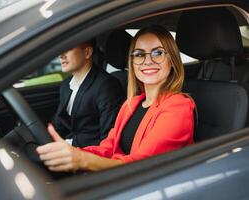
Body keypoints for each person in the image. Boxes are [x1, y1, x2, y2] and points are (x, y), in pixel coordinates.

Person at [37, 25, 195, 172]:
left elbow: (141, 166)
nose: (148, 61)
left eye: (158, 53)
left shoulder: (178, 107)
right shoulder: (131, 104)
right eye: (139, 54)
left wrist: (82, 160)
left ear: (172, 61)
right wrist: (72, 152)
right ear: (132, 62)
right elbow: (108, 148)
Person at [51, 40, 124, 148]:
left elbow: (108, 137)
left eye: (68, 48)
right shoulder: (66, 85)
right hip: (67, 148)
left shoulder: (106, 86)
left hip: (88, 155)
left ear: (87, 53)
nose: (61, 55)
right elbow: (59, 125)